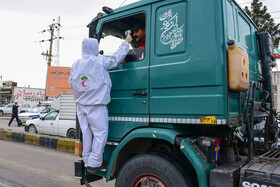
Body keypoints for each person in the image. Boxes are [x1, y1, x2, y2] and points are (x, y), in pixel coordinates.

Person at [69, 34, 132, 174]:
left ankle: (86, 159)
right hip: (96, 105)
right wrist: (125, 43)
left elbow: (71, 83)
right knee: (100, 134)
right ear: (94, 48)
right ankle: (94, 163)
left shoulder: (75, 64)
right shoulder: (100, 61)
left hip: (81, 105)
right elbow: (116, 58)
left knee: (86, 133)